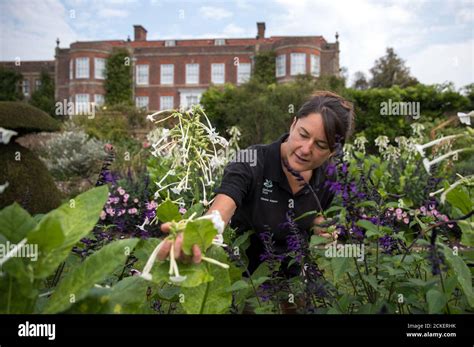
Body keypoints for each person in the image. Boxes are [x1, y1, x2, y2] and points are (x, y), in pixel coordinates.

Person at [157, 91, 355, 277]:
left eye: (320, 145)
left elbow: (316, 213)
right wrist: (197, 234)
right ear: (293, 124)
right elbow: (222, 208)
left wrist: (320, 226)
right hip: (245, 283)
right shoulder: (251, 160)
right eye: (303, 134)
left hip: (295, 282)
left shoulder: (328, 178)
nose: (305, 149)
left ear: (332, 152)